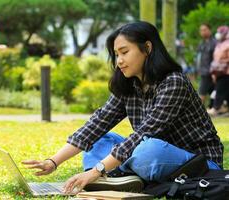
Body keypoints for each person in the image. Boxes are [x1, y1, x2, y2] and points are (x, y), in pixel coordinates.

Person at [22, 21, 224, 195]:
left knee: (147, 148)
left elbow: (145, 133)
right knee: (97, 140)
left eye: (124, 52)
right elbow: (96, 124)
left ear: (147, 48)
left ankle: (112, 174)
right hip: (150, 156)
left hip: (199, 163)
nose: (119, 61)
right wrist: (53, 162)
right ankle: (115, 177)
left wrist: (96, 169)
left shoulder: (173, 82)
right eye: (116, 54)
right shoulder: (129, 84)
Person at [208, 25, 229, 116]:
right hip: (219, 72)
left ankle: (216, 108)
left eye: (220, 32)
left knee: (220, 90)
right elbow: (216, 59)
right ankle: (222, 108)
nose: (218, 34)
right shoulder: (219, 44)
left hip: (226, 72)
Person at [196, 23, 217, 107]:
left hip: (211, 73)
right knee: (213, 93)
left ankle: (197, 112)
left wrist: (214, 72)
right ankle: (215, 107)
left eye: (205, 30)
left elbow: (216, 59)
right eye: (201, 30)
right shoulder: (201, 44)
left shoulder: (215, 43)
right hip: (203, 72)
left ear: (210, 30)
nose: (203, 32)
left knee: (201, 94)